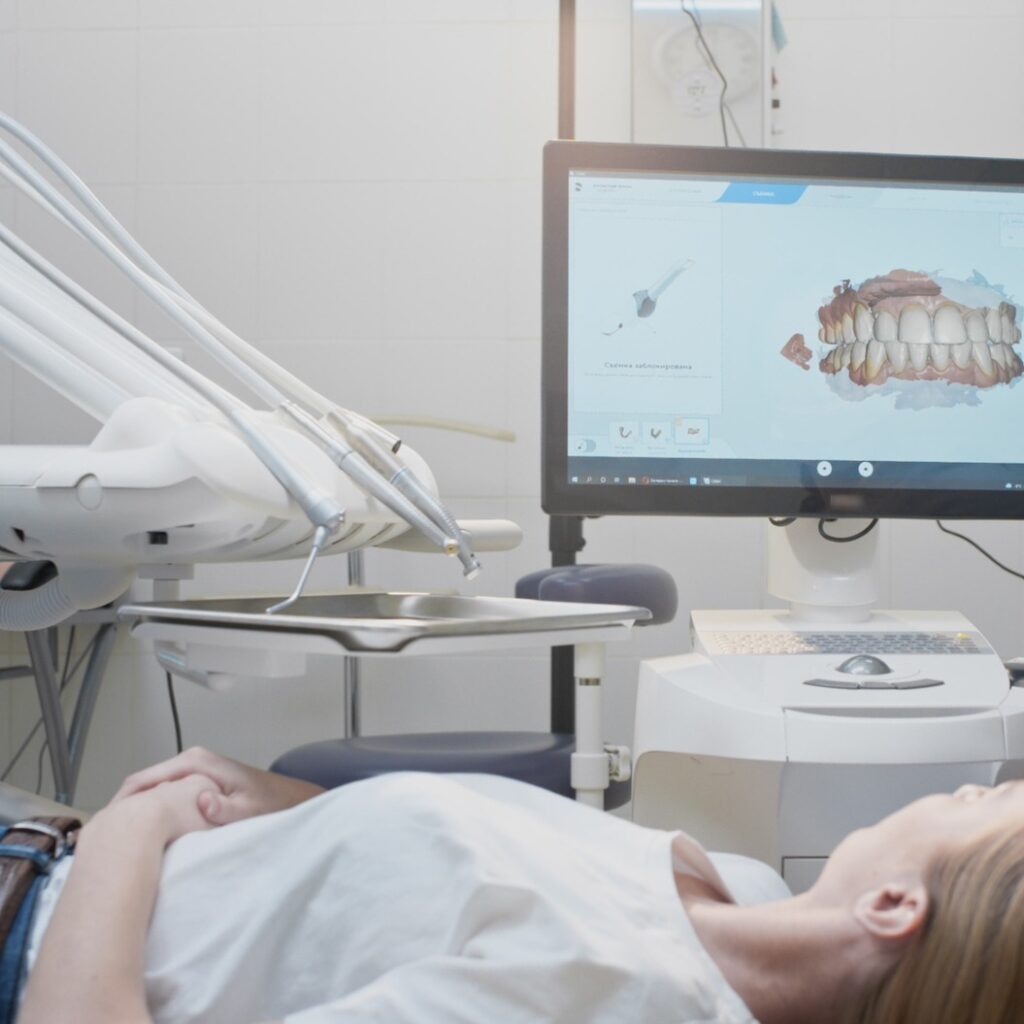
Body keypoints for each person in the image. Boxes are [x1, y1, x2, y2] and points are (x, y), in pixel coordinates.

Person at [12, 748, 1024, 1024]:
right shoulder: (736, 887)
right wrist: (279, 796)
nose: (967, 784)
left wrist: (127, 828)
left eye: (979, 804)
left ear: (894, 907)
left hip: (34, 922)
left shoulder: (590, 994)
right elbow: (409, 894)